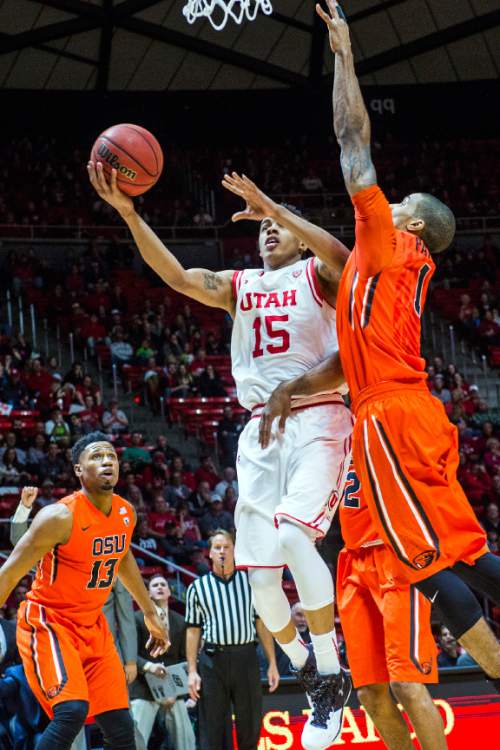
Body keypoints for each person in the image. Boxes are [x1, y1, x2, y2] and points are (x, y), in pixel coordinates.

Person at [88, 131, 354, 749]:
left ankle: (330, 664)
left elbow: (342, 260)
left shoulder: (320, 274)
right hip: (259, 430)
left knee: (294, 535)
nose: (266, 230)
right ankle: (311, 676)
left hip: (317, 416)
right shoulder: (242, 286)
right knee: (259, 581)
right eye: (259, 225)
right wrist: (130, 212)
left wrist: (274, 206)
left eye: (275, 225)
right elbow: (178, 276)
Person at [317, 0, 500, 691]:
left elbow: (350, 135)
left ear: (414, 219)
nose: (383, 202)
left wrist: (345, 58)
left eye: (399, 203)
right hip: (410, 411)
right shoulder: (391, 261)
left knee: (423, 563)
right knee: (463, 549)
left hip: (391, 417)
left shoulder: (389, 239)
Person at [263, 358, 447, 750]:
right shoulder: (334, 427)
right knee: (370, 696)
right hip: (352, 560)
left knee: (407, 686)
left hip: (397, 555)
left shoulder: (399, 411)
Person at [0, 432, 169, 750]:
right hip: (49, 623)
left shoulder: (125, 512)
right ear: (79, 470)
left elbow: (122, 559)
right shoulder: (59, 517)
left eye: (112, 456)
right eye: (97, 456)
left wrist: (149, 611)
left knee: (121, 728)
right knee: (71, 712)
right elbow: (8, 574)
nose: (107, 460)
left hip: (93, 626)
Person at [185, 530, 279, 750]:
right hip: (212, 660)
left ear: (234, 551)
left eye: (226, 547)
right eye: (217, 548)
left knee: (250, 721)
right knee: (213, 725)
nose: (222, 552)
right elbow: (192, 631)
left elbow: (261, 624)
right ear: (209, 553)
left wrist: (272, 663)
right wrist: (191, 671)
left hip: (246, 657)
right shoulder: (197, 588)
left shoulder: (250, 583)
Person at [130, 575, 195, 750]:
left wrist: (175, 691)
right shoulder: (136, 618)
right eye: (155, 585)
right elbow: (130, 654)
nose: (159, 587)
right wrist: (149, 667)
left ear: (169, 592)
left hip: (172, 691)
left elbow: (184, 658)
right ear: (149, 593)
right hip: (143, 689)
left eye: (163, 584)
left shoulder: (180, 621)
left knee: (186, 741)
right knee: (135, 741)